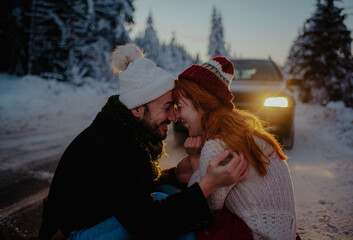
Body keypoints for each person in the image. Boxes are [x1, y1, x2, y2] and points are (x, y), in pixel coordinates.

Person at [37, 44, 249, 240]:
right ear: (137, 109)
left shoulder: (122, 129)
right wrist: (208, 184)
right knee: (170, 216)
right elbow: (147, 223)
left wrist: (175, 175)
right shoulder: (112, 144)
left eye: (174, 108)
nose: (174, 117)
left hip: (97, 221)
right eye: (167, 107)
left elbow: (130, 191)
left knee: (167, 192)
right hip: (73, 234)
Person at [173, 56, 297, 240]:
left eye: (180, 107)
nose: (176, 116)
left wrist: (195, 160)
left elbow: (207, 205)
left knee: (182, 221)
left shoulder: (216, 145)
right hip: (282, 233)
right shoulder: (244, 134)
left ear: (202, 104)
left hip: (259, 236)